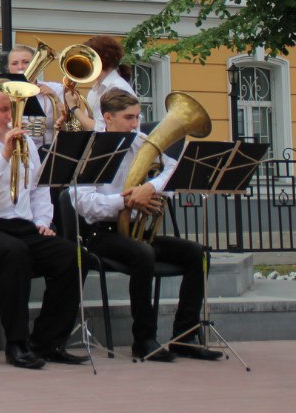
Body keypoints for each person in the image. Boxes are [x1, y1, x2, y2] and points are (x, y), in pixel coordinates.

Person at [69, 89, 222, 361]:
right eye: (128, 117)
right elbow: (84, 203)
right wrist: (126, 202)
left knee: (197, 254)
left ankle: (184, 336)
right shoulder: (90, 149)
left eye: (137, 117)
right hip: (101, 234)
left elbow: (173, 170)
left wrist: (149, 188)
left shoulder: (142, 142)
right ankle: (144, 339)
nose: (135, 123)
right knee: (143, 254)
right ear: (107, 118)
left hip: (139, 233)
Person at [0, 78, 86, 369]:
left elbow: (38, 189)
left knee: (70, 255)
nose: (10, 116)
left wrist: (43, 222)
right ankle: (16, 343)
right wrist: (4, 156)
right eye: (3, 109)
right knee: (13, 253)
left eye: (14, 109)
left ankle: (47, 341)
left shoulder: (29, 144)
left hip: (20, 225)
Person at [83, 35, 136, 119]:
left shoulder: (118, 88)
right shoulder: (94, 91)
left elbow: (104, 129)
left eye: (87, 58)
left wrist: (74, 109)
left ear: (100, 59)